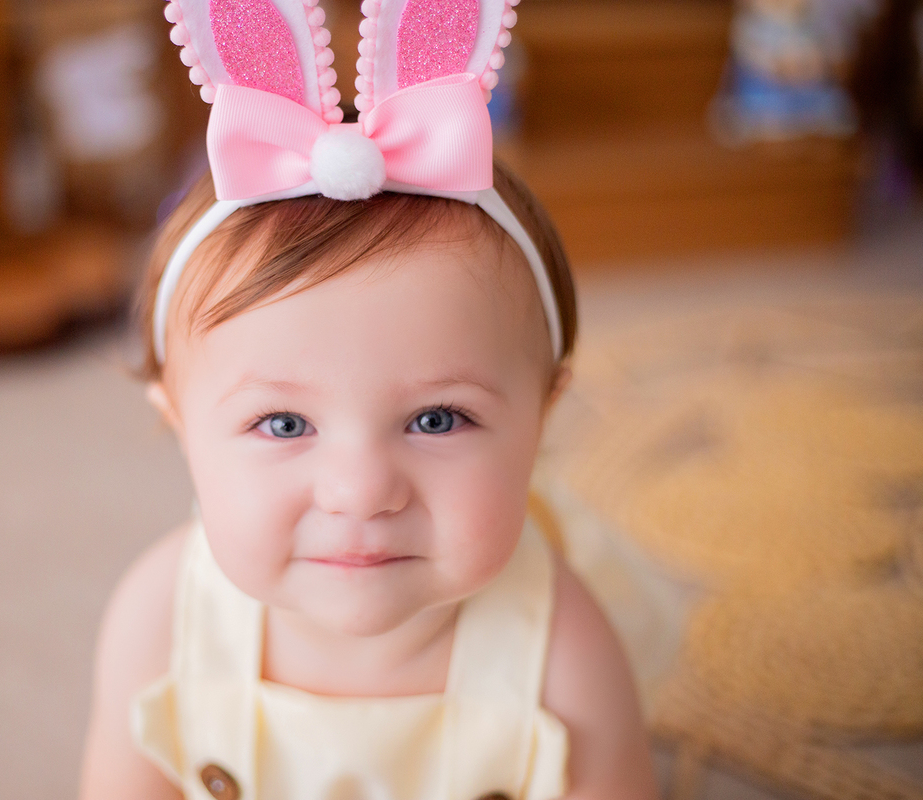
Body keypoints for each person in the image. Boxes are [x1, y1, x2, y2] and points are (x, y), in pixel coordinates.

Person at [80, 0, 658, 796]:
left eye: (436, 418)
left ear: (541, 416)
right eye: (284, 423)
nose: (360, 490)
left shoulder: (563, 652)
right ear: (178, 424)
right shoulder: (158, 624)